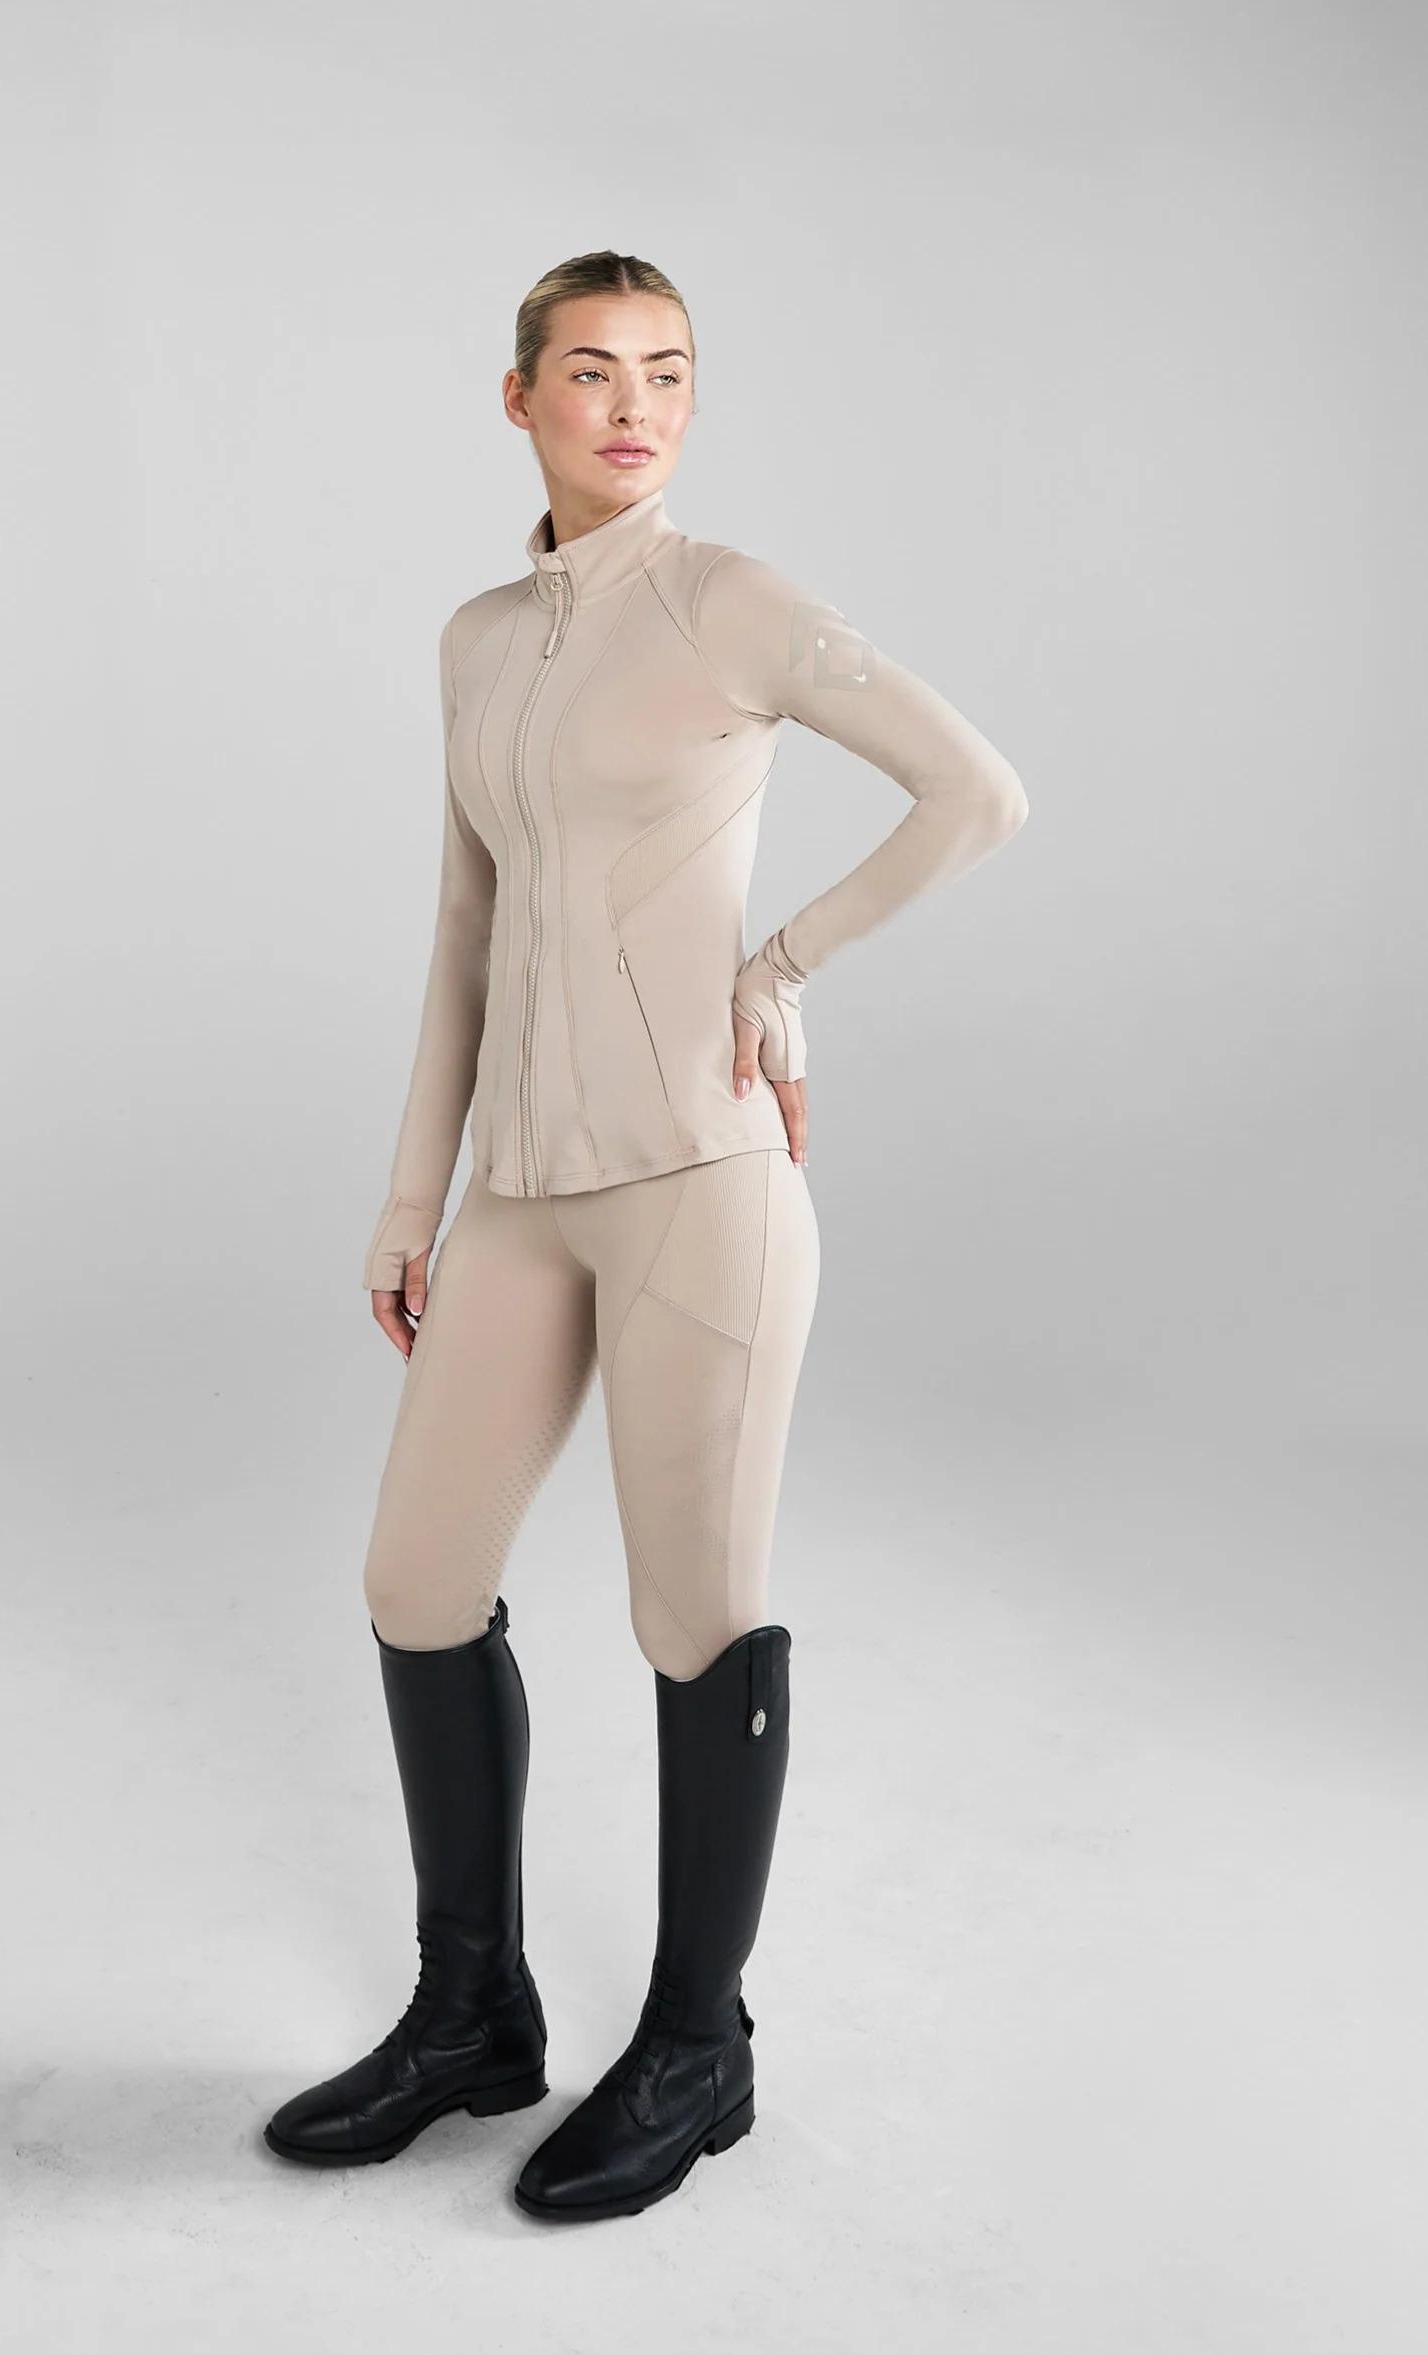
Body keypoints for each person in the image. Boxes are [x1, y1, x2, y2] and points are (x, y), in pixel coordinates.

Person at [263, 250, 1027, 2220]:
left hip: (699, 1180)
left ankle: (700, 2045)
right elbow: (464, 925)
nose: (633, 408)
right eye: (592, 371)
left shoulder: (726, 600)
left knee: (694, 1611)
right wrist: (414, 1192)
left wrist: (782, 966)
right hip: (520, 1195)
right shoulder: (477, 638)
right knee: (417, 1582)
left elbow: (974, 792)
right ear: (516, 395)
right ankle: (472, 2013)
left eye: (667, 373)